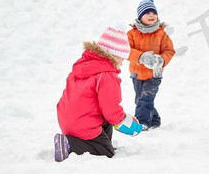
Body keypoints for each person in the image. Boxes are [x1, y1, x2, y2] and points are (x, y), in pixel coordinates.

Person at [55, 26, 143, 162]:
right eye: (122, 59)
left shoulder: (82, 66)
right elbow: (111, 111)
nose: (122, 63)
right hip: (83, 125)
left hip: (68, 120)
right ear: (113, 55)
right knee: (106, 153)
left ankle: (99, 142)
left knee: (105, 122)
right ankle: (69, 144)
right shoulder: (106, 75)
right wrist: (127, 123)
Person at [127, 0, 175, 130]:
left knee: (146, 98)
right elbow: (127, 51)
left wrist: (162, 60)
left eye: (154, 13)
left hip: (154, 74)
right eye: (147, 13)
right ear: (140, 16)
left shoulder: (161, 34)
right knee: (139, 100)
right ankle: (154, 119)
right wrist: (141, 57)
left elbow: (169, 50)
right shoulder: (131, 34)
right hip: (136, 73)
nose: (151, 15)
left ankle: (141, 123)